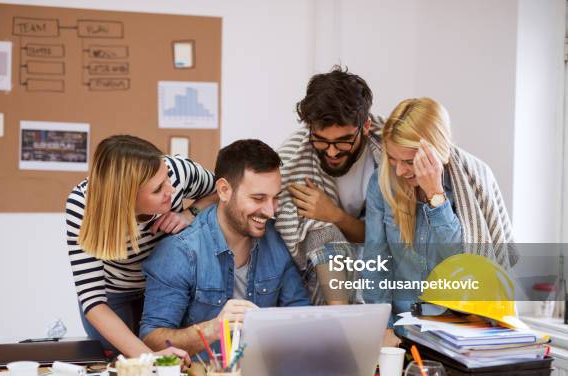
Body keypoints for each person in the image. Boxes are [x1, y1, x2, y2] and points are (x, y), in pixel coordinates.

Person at [363, 97, 517, 345]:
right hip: (401, 332)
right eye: (392, 159)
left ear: (435, 151)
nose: (399, 170)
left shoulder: (474, 180)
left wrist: (436, 196)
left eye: (409, 161)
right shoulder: (381, 184)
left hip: (459, 333)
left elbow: (468, 265)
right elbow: (375, 262)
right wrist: (384, 328)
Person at [139, 139, 310, 355]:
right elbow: (151, 339)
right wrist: (212, 329)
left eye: (275, 198)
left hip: (265, 375)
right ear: (223, 190)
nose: (269, 211)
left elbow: (302, 315)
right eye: (258, 198)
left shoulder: (277, 240)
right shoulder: (180, 251)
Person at [65, 134, 216, 359]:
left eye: (167, 179)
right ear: (126, 198)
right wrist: (148, 358)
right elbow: (93, 300)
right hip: (113, 296)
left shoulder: (177, 172)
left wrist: (189, 213)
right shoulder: (83, 206)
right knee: (126, 363)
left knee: (182, 356)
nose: (171, 189)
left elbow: (222, 189)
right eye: (157, 189)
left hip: (167, 287)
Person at [275, 66, 384, 305]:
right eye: (322, 141)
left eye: (343, 141)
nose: (332, 152)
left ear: (365, 127)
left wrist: (334, 215)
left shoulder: (387, 159)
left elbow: (385, 237)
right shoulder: (295, 156)